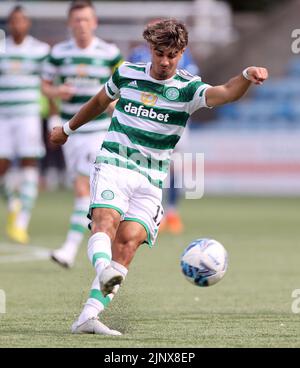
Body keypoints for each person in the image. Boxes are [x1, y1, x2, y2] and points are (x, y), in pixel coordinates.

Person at [50, 18, 268, 335]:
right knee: (105, 221)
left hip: (151, 179)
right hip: (115, 162)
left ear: (182, 53)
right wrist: (67, 130)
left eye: (172, 55)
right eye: (159, 53)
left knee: (128, 243)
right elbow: (100, 101)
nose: (165, 62)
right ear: (150, 50)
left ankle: (88, 317)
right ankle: (103, 269)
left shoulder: (188, 88)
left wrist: (247, 75)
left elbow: (227, 93)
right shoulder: (126, 74)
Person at [42, 0, 123, 268]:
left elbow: (125, 83)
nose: (81, 25)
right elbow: (45, 86)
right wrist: (56, 92)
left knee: (82, 188)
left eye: (86, 19)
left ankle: (70, 248)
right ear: (69, 24)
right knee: (89, 192)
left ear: (95, 22)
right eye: (77, 20)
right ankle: (106, 238)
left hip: (99, 130)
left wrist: (114, 104)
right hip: (70, 131)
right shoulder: (58, 53)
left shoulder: (109, 53)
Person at [128, 24, 200, 235]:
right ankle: (140, 211)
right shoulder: (137, 55)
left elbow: (192, 81)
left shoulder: (180, 54)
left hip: (173, 118)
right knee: (137, 165)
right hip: (143, 119)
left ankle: (172, 213)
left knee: (175, 168)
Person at [0, 6, 50, 244]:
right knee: (2, 165)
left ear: (27, 23)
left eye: (21, 20)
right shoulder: (2, 47)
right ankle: (13, 203)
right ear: (9, 23)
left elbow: (49, 82)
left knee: (30, 162)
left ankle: (22, 222)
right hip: (3, 115)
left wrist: (54, 115)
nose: (17, 24)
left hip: (28, 115)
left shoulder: (40, 50)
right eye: (13, 21)